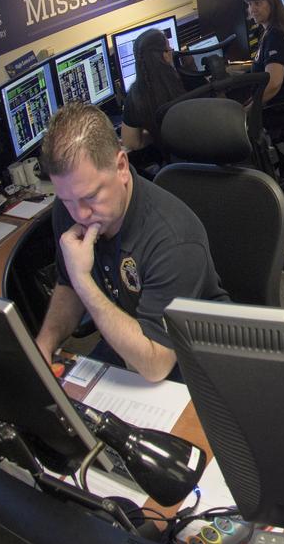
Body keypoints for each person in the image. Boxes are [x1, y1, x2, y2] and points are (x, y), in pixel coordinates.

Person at [35, 103, 228, 382]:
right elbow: (68, 285)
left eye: (91, 197)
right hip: (128, 339)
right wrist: (45, 344)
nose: (79, 214)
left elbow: (155, 365)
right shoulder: (70, 206)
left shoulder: (172, 238)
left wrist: (83, 280)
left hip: (194, 359)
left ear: (121, 167)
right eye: (67, 200)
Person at [120, 29, 185, 154]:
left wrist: (155, 134)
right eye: (169, 48)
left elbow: (131, 143)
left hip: (177, 166)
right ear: (165, 55)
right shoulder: (186, 79)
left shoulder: (135, 96)